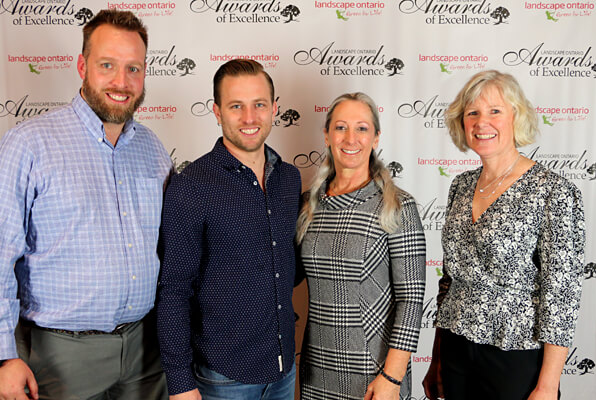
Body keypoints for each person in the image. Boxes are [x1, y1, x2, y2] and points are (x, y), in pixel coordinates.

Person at [0, 9, 171, 400]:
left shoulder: (153, 150)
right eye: (107, 65)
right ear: (82, 65)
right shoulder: (29, 144)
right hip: (60, 358)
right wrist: (3, 357)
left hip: (146, 353)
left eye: (133, 68)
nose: (121, 82)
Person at [422, 70, 585, 400]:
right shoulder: (461, 185)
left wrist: (548, 384)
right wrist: (436, 356)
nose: (483, 122)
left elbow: (562, 294)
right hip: (456, 347)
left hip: (515, 354)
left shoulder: (553, 190)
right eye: (473, 113)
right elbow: (450, 280)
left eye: (495, 110)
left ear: (517, 116)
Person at [156, 59, 301, 400]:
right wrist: (180, 383)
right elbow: (174, 290)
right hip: (224, 378)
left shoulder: (289, 179)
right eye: (236, 106)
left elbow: (285, 268)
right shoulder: (192, 186)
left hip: (283, 371)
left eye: (259, 105)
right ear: (217, 111)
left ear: (274, 109)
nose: (249, 118)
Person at [296, 92, 427, 400]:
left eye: (362, 128)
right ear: (327, 135)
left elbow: (411, 300)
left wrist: (392, 377)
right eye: (341, 127)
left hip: (373, 372)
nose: (350, 138)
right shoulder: (309, 205)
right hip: (317, 367)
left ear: (376, 137)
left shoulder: (397, 206)